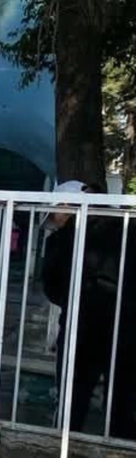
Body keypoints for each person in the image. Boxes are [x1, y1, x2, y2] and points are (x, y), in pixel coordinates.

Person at [40, 181, 136, 439]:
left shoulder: (62, 239)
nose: (55, 221)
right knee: (124, 401)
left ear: (67, 205)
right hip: (127, 328)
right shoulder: (129, 226)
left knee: (73, 399)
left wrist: (75, 301)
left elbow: (52, 286)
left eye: (55, 214)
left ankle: (65, 451)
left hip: (81, 329)